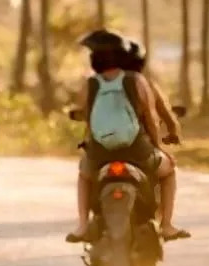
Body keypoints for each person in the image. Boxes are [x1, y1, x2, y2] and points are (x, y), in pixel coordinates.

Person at [66, 30, 189, 243]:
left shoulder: (92, 83)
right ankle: (167, 225)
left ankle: (83, 225)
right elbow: (152, 117)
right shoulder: (138, 80)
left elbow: (88, 117)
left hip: (100, 154)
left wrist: (89, 142)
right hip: (137, 152)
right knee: (169, 169)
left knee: (84, 175)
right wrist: (158, 144)